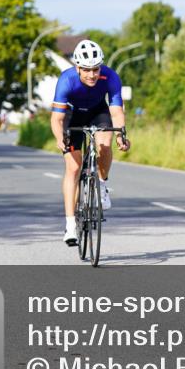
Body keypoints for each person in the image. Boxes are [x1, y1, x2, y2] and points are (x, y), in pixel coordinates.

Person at [50, 39, 130, 246]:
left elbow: (116, 111)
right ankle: (70, 226)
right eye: (86, 70)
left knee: (104, 145)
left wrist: (122, 134)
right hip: (72, 115)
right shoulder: (66, 80)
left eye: (95, 69)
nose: (92, 75)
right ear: (77, 67)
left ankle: (102, 184)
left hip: (97, 112)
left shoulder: (111, 77)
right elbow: (56, 119)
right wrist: (60, 138)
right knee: (74, 167)